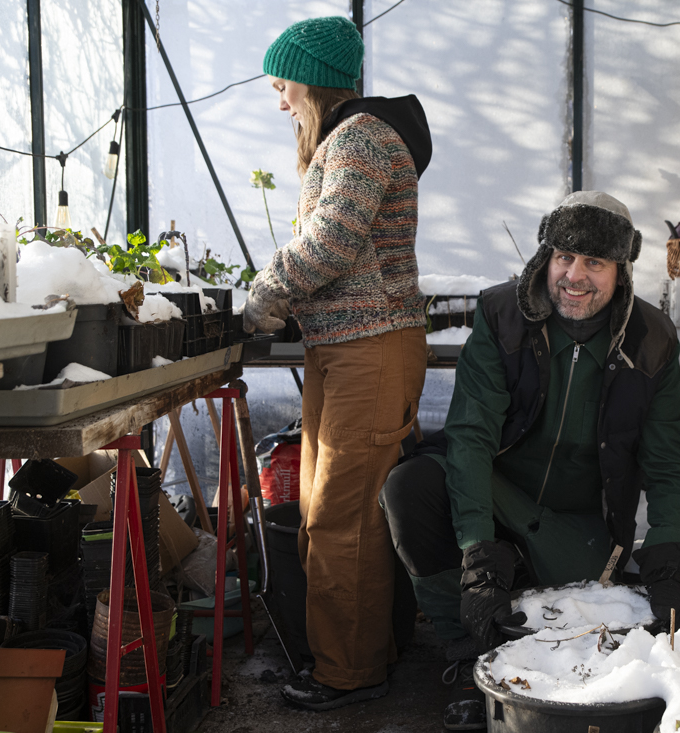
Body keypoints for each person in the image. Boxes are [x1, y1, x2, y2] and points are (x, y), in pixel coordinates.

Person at [379, 191, 680, 730]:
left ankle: (518, 607)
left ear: (620, 271)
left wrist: (668, 553)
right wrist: (478, 548)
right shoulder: (503, 315)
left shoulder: (653, 340)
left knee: (570, 630)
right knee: (411, 489)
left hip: (581, 520)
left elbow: (667, 458)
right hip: (500, 491)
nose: (574, 276)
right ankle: (465, 654)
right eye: (563, 257)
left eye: (594, 262)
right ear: (545, 257)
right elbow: (472, 436)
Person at [243, 15, 433, 711]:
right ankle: (359, 656)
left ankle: (346, 673)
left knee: (338, 516)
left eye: (284, 81)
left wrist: (267, 290)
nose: (278, 96)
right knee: (336, 511)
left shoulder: (360, 139)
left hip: (369, 349)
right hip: (346, 347)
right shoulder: (348, 140)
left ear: (314, 80)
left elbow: (332, 240)